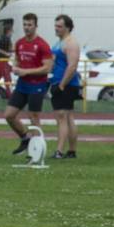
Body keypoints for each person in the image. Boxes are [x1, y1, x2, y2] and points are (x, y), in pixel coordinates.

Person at [4, 12, 52, 155]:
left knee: (33, 117)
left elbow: (47, 68)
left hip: (37, 85)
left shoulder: (42, 45)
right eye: (25, 24)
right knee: (9, 115)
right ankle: (25, 139)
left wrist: (26, 72)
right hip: (22, 85)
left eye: (30, 25)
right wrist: (15, 67)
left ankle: (37, 150)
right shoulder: (20, 43)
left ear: (36, 26)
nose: (27, 27)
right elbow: (17, 60)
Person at [49, 14, 82, 160]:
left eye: (59, 26)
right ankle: (72, 151)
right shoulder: (58, 43)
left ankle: (59, 151)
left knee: (62, 116)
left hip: (66, 85)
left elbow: (72, 66)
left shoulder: (71, 43)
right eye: (55, 26)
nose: (56, 28)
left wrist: (62, 85)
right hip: (57, 82)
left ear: (67, 28)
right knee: (67, 117)